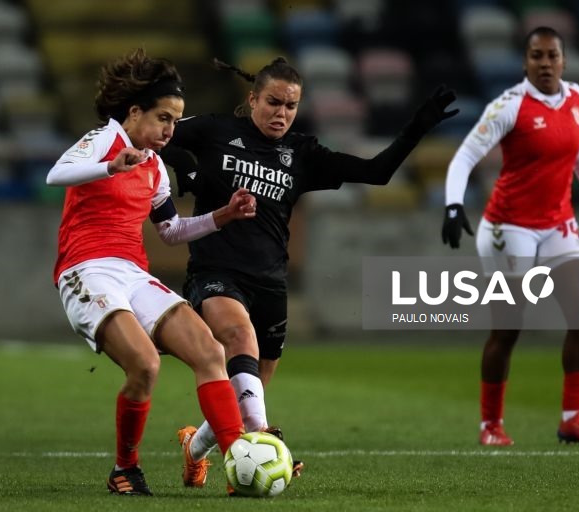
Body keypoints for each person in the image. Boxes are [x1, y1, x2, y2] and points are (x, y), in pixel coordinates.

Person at [159, 56, 458, 486]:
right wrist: (184, 165)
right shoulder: (214, 130)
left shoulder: (301, 153)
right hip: (215, 271)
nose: (281, 113)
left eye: (290, 106)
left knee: (248, 392)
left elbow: (377, 173)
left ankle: (195, 448)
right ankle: (259, 442)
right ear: (252, 99)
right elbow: (155, 132)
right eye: (273, 102)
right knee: (240, 342)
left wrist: (418, 126)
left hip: (270, 283)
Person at [45, 48, 253, 496]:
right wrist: (109, 165)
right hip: (86, 269)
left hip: (132, 273)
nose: (169, 130)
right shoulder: (107, 139)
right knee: (145, 365)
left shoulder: (156, 166)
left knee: (210, 352)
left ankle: (239, 459)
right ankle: (125, 468)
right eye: (163, 118)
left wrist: (223, 215)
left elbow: (171, 230)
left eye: (175, 121)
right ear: (135, 112)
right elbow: (55, 174)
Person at [442, 26, 579, 446]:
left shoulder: (578, 99)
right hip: (508, 227)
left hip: (557, 222)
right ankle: (490, 425)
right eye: (536, 56)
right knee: (508, 328)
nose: (545, 63)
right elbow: (466, 155)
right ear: (526, 62)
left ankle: (573, 417)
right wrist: (454, 205)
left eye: (552, 56)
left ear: (564, 61)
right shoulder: (509, 105)